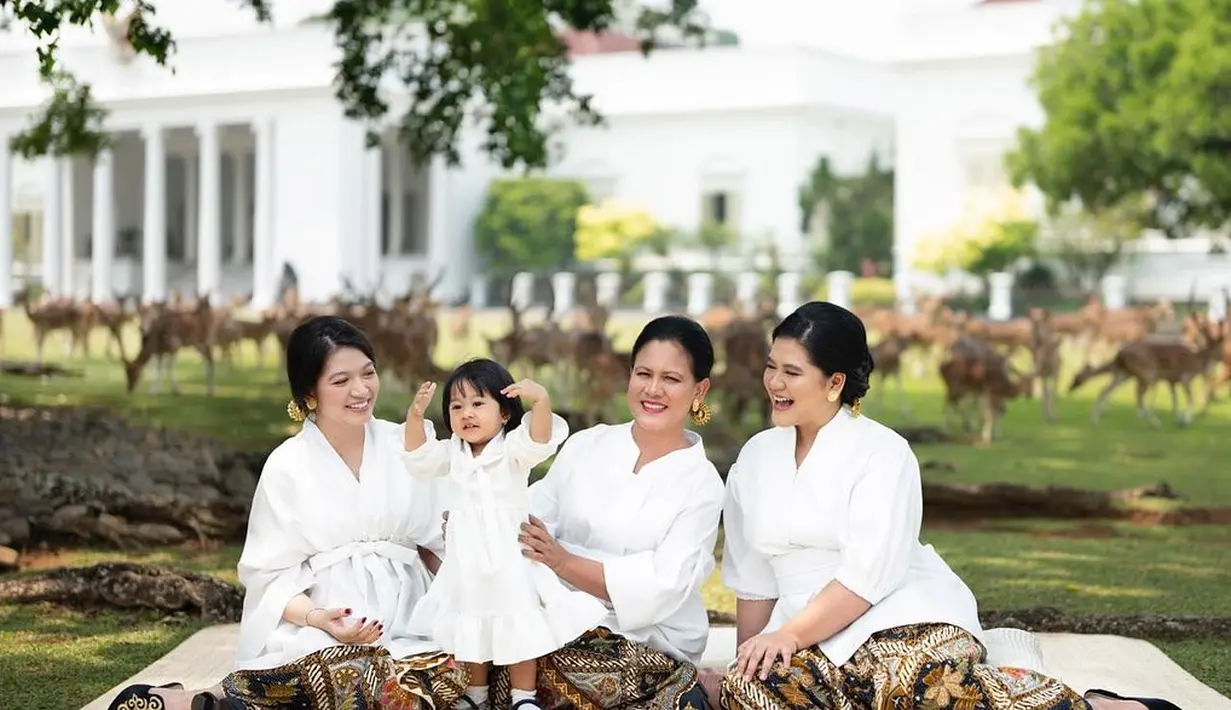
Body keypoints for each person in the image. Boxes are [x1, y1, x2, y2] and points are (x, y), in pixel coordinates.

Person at [718, 301, 1185, 710]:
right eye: (771, 366)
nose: (774, 383)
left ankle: (1096, 707)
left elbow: (867, 577)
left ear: (835, 382)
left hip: (897, 614)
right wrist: (751, 658)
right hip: (804, 634)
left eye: (792, 372)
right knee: (751, 695)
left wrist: (791, 636)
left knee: (913, 688)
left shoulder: (884, 453)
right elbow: (754, 577)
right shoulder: (755, 459)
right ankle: (1004, 675)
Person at [108, 315, 470, 710]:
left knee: (465, 671)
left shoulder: (407, 444)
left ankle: (214, 702)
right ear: (309, 394)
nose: (361, 389)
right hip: (324, 623)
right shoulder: (288, 466)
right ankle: (198, 701)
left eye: (368, 373)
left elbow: (441, 541)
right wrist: (320, 618)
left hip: (411, 617)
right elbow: (270, 577)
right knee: (358, 679)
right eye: (340, 380)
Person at [467, 314, 726, 710]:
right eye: (643, 373)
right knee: (468, 653)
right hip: (557, 617)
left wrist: (564, 561)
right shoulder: (587, 445)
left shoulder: (702, 483)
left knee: (535, 665)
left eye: (671, 379)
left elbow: (661, 586)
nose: (653, 389)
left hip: (645, 642)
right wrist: (479, 519)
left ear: (699, 389)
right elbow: (528, 517)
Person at [402, 359, 608, 710]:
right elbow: (418, 458)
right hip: (467, 559)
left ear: (505, 414)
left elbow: (540, 440)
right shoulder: (453, 453)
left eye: (478, 403)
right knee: (472, 622)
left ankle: (523, 697)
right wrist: (416, 418)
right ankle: (477, 693)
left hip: (509, 556)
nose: (467, 413)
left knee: (518, 621)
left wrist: (540, 401)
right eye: (456, 406)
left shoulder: (512, 450)